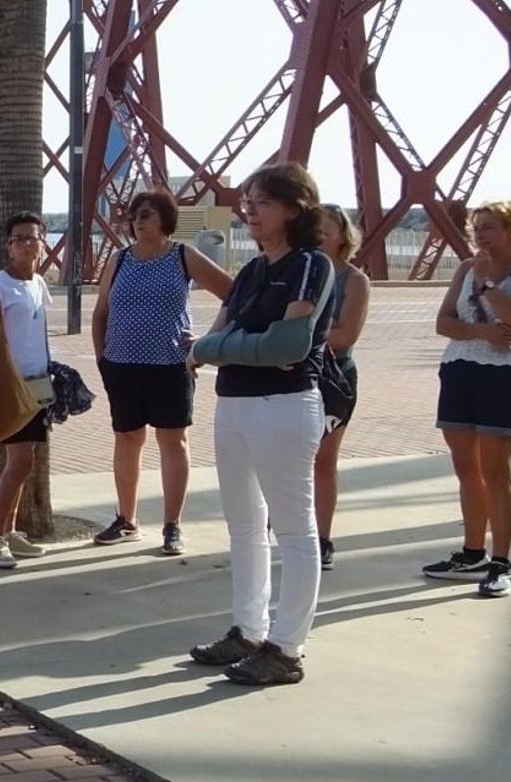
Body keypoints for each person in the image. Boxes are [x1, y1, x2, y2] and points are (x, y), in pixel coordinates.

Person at [188, 162, 334, 687]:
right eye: (247, 199)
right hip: (235, 405)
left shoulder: (310, 266)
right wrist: (230, 349)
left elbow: (288, 346)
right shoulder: (251, 272)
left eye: (262, 201)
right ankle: (249, 630)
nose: (248, 208)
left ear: (296, 208)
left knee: (294, 528)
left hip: (285, 406)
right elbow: (219, 335)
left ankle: (287, 647)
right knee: (244, 524)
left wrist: (217, 350)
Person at [90, 189, 233, 556]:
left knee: (173, 441)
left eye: (148, 214)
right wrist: (102, 358)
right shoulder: (119, 260)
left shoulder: (183, 256)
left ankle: (172, 525)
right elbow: (101, 312)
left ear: (165, 221)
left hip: (171, 365)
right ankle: (127, 519)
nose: (139, 221)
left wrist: (206, 341)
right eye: (136, 215)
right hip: (122, 366)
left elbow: (235, 295)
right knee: (127, 439)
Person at [422, 201, 511, 597]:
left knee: (496, 469)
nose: (480, 235)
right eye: (476, 228)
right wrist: (481, 334)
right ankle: (472, 552)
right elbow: (444, 322)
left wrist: (490, 286)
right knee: (466, 468)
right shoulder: (465, 268)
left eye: (489, 227)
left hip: (506, 376)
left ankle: (501, 562)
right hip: (461, 370)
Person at [0, 212, 56, 568]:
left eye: (33, 236)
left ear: (43, 242)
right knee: (20, 459)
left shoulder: (38, 282)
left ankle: (9, 532)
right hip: (12, 385)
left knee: (27, 462)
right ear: (8, 246)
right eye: (19, 238)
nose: (28, 243)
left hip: (38, 383)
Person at [314, 204, 370, 570]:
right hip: (289, 374)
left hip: (333, 378)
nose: (319, 235)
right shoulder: (299, 272)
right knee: (284, 460)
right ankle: (284, 528)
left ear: (342, 237)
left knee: (323, 461)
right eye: (312, 228)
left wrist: (296, 340)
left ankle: (322, 539)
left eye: (326, 229)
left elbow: (347, 334)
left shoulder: (354, 280)